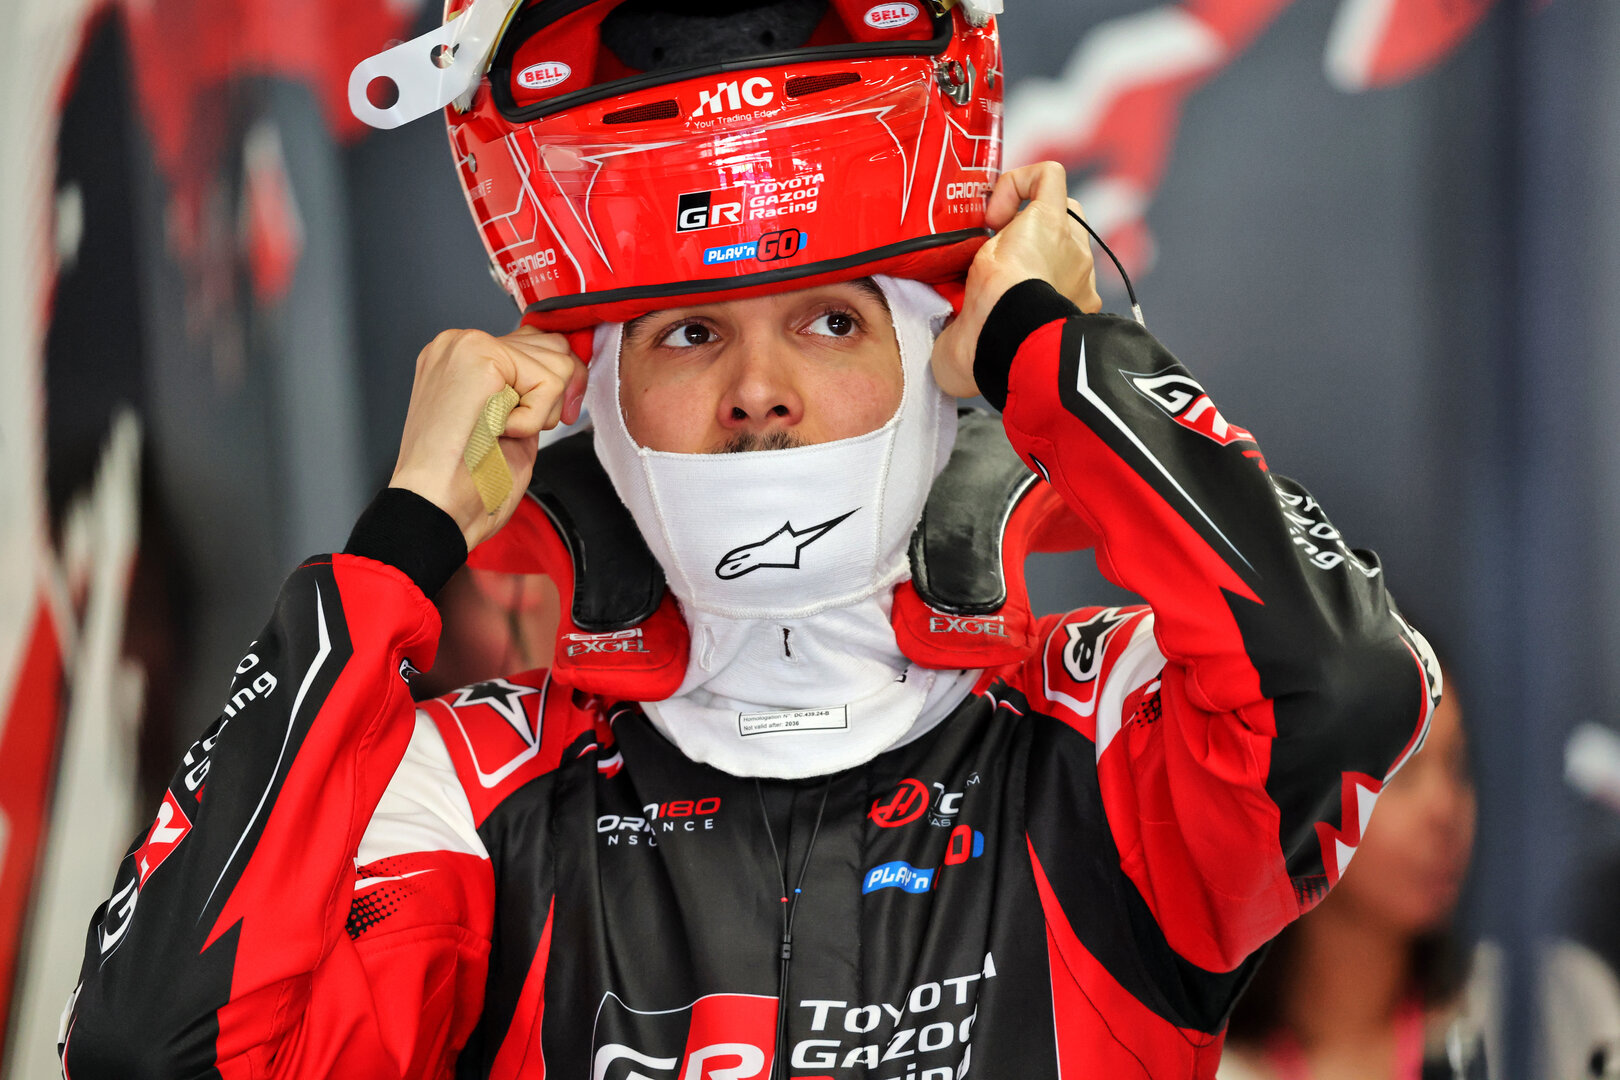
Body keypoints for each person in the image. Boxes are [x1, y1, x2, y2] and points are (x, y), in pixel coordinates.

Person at [58, 2, 1440, 1077]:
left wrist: (1063, 357)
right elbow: (152, 1048)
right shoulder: (472, 798)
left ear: (935, 358)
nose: (760, 391)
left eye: (833, 320)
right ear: (593, 401)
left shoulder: (1096, 738)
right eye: (689, 332)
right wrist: (404, 542)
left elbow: (1345, 690)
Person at [1218, 669, 1483, 1080]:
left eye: (1456, 765)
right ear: (1300, 798)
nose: (1446, 809)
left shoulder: (1539, 1016)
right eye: (1402, 772)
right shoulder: (1208, 1067)